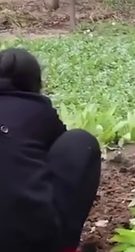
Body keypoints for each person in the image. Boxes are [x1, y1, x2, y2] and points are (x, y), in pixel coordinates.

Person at [0, 48, 102, 252]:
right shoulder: (37, 108)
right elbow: (60, 152)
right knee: (80, 142)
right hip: (34, 240)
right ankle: (65, 247)